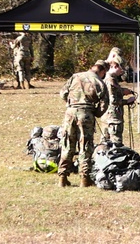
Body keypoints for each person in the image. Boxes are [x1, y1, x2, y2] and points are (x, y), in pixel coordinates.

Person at [58, 60, 109, 188]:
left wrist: (71, 103)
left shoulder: (75, 76)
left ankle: (62, 178)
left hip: (70, 113)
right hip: (86, 114)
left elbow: (63, 93)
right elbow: (104, 104)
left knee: (67, 144)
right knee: (85, 146)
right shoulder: (100, 82)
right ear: (102, 71)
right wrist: (95, 112)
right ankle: (84, 179)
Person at [101, 52, 135, 145]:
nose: (122, 71)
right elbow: (113, 101)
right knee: (116, 145)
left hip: (106, 116)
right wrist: (127, 101)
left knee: (105, 145)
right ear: (115, 66)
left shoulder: (109, 78)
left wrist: (123, 91)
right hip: (113, 117)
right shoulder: (110, 80)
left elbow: (113, 92)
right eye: (122, 69)